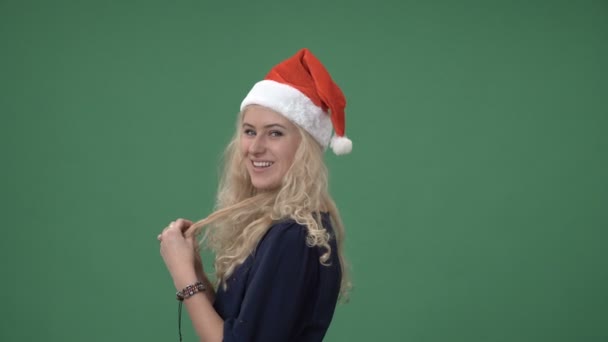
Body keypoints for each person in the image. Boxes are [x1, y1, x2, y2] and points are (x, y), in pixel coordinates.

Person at [158, 48, 353, 342]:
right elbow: (232, 328)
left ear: (306, 148)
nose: (256, 147)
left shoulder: (293, 235)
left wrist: (183, 277)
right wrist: (195, 271)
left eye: (275, 133)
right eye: (249, 132)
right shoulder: (280, 226)